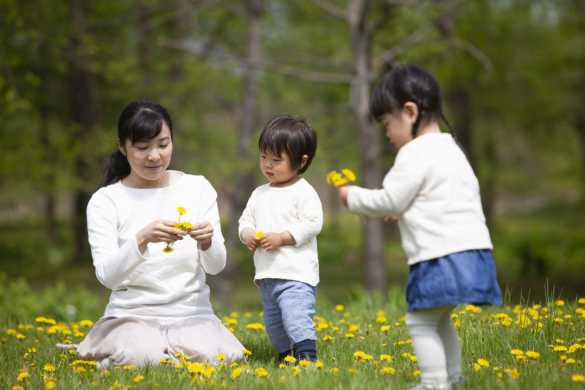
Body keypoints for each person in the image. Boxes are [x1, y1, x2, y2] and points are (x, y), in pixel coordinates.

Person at [336, 65, 502, 390]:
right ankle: (453, 379)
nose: (386, 134)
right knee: (439, 319)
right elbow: (442, 197)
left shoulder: (413, 152)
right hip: (474, 252)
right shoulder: (451, 147)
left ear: (410, 112)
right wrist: (406, 209)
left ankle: (433, 382)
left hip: (438, 257)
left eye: (387, 123)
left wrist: (350, 196)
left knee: (420, 320)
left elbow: (388, 200)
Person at [58, 100, 245, 368]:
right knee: (141, 356)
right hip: (131, 315)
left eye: (163, 144)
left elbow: (216, 266)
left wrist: (208, 242)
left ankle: (150, 354)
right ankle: (130, 350)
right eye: (142, 147)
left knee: (220, 358)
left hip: (191, 313)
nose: (154, 156)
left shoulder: (197, 187)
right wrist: (142, 238)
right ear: (122, 146)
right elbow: (107, 277)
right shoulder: (106, 200)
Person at [238, 115, 323, 363]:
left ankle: (307, 361)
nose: (268, 165)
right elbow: (246, 220)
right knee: (274, 324)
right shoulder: (259, 193)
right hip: (267, 277)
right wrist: (248, 235)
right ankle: (286, 359)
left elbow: (312, 223)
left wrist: (282, 238)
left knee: (296, 318)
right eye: (264, 157)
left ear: (301, 161)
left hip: (296, 275)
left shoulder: (304, 191)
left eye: (277, 159)